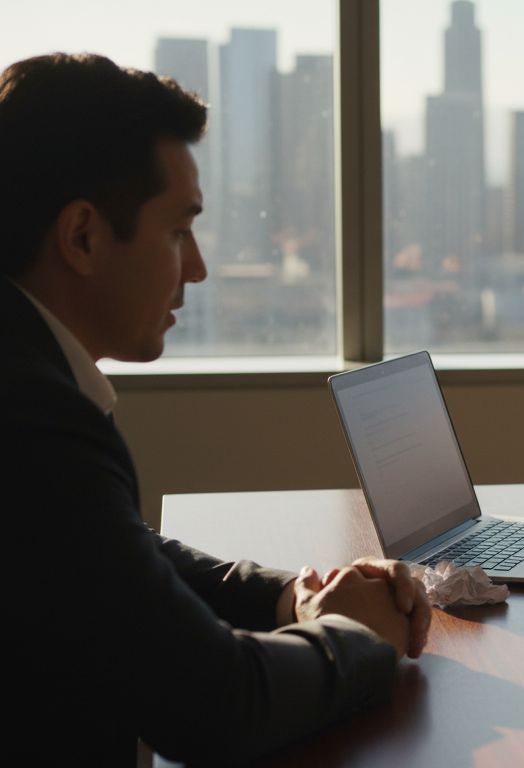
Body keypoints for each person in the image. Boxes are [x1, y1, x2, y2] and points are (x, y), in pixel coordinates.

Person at [2, 53, 431, 764]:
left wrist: (297, 596)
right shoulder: (33, 419)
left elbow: (117, 553)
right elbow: (219, 705)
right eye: (177, 230)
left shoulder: (29, 373)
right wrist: (357, 638)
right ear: (82, 236)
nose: (196, 266)